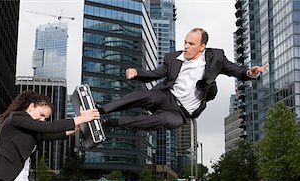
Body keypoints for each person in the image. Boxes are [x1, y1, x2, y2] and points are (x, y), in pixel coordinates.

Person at [98, 28, 268, 130]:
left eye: (191, 44)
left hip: (181, 113)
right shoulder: (173, 58)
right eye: (185, 42)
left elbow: (235, 70)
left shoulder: (216, 58)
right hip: (166, 96)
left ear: (202, 47)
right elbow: (157, 74)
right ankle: (101, 111)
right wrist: (137, 72)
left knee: (162, 121)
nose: (186, 46)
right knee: (145, 95)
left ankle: (110, 123)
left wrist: (249, 72)